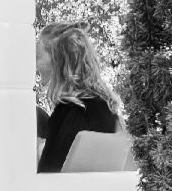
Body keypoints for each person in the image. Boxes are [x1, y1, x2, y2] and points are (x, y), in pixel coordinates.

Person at [35, 22, 121, 173]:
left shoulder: (68, 112)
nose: (35, 64)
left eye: (38, 57)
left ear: (57, 60)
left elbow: (46, 177)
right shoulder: (107, 108)